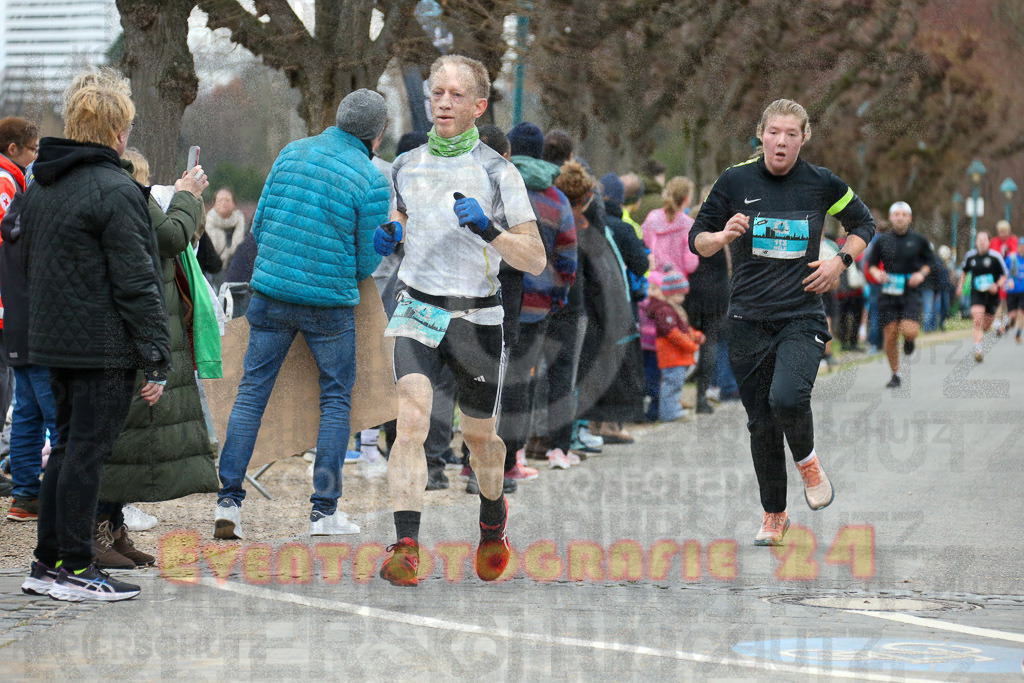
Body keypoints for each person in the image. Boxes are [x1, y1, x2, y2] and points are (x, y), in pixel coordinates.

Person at [374, 55, 544, 587]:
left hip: (476, 317)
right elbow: (398, 217)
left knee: (480, 440)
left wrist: (489, 230)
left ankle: (493, 526)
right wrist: (392, 235)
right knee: (412, 424)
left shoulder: (500, 172)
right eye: (435, 92)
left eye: (454, 94)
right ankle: (405, 547)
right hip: (418, 308)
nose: (442, 103)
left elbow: (534, 259)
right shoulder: (406, 166)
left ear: (478, 106)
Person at [690, 99, 875, 547]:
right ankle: (775, 514)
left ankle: (808, 463)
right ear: (761, 135)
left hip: (801, 314)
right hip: (748, 319)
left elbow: (864, 224)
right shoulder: (735, 179)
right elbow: (698, 240)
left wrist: (839, 261)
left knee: (788, 396)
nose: (782, 141)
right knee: (761, 423)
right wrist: (721, 235)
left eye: (792, 134)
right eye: (775, 132)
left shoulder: (822, 183)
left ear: (803, 138)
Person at [214, 88, 390, 539]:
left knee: (252, 392)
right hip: (328, 305)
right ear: (379, 133)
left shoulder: (291, 152)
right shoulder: (371, 180)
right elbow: (364, 263)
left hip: (270, 294)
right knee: (336, 399)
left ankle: (228, 503)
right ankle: (323, 512)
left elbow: (262, 223)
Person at [21, 80, 170, 601]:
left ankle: (46, 562)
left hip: (52, 340)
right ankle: (77, 567)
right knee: (86, 454)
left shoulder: (40, 187)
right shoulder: (117, 189)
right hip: (101, 345)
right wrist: (156, 353)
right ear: (115, 131)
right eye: (125, 125)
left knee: (65, 449)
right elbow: (136, 280)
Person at [92, 146, 215, 569]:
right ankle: (97, 530)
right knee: (121, 433)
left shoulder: (117, 187)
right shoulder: (121, 189)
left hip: (140, 320)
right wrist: (187, 196)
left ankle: (113, 526)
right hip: (127, 324)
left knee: (134, 432)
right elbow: (171, 236)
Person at [500, 122, 577, 471]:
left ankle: (473, 456)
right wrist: (557, 296)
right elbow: (567, 257)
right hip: (536, 305)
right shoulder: (556, 199)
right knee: (522, 377)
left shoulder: (494, 186)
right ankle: (513, 456)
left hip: (489, 297)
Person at [0, 116, 40, 502]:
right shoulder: (7, 181)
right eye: (32, 150)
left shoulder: (16, 179)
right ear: (14, 150)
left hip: (8, 302)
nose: (35, 156)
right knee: (12, 389)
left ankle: (22, 486)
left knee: (17, 394)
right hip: (8, 302)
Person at [866, 202, 933, 389]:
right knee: (890, 335)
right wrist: (877, 274)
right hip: (889, 291)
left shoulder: (919, 240)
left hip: (911, 291)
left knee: (909, 329)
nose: (900, 218)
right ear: (890, 218)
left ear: (910, 218)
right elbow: (871, 264)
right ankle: (895, 374)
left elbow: (931, 262)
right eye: (896, 214)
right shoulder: (881, 240)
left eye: (904, 214)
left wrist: (921, 274)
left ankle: (910, 341)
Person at [644, 268, 703, 421]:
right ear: (669, 293)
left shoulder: (673, 309)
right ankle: (670, 413)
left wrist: (695, 336)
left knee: (676, 384)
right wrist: (691, 345)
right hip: (672, 354)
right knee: (671, 385)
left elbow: (683, 329)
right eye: (679, 294)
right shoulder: (665, 311)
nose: (682, 298)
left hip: (677, 354)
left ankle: (673, 410)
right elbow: (673, 334)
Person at [958, 231, 1008, 362]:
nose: (981, 242)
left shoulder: (995, 257)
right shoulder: (970, 256)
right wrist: (960, 286)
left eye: (984, 240)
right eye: (979, 239)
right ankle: (978, 349)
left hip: (992, 295)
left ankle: (995, 324)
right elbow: (964, 273)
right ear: (976, 242)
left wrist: (997, 285)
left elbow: (1005, 276)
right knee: (977, 319)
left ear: (989, 242)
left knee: (986, 325)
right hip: (977, 293)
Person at [206, 188, 247, 266]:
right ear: (214, 204)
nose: (223, 203)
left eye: (227, 200)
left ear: (234, 204)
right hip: (211, 268)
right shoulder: (205, 224)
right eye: (220, 200)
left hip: (236, 267)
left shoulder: (242, 224)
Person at [1004, 245, 1024, 344]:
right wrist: (1008, 280)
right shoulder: (1011, 258)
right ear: (1018, 247)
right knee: (1013, 315)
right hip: (1012, 291)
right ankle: (1011, 320)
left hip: (1023, 291)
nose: (1022, 248)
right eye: (1021, 246)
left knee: (1021, 313)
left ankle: (1018, 334)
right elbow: (1003, 271)